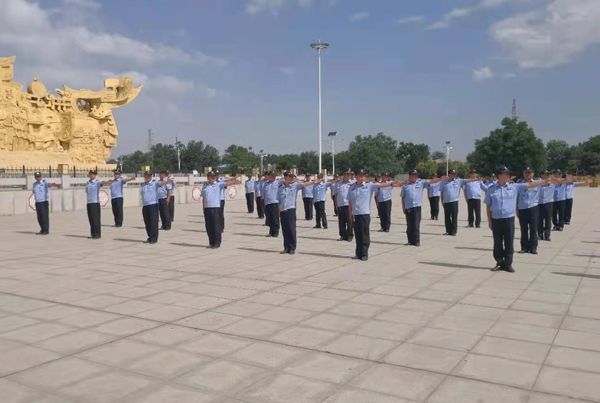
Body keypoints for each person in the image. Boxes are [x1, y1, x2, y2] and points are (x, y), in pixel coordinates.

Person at [485, 166, 552, 273]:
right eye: (506, 174)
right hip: (496, 219)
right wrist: (489, 221)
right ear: (499, 176)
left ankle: (508, 264)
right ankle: (499, 262)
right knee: (497, 242)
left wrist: (545, 181)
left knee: (509, 242)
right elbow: (488, 206)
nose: (508, 176)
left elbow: (531, 185)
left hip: (508, 219)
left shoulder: (514, 187)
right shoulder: (491, 189)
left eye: (508, 174)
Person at [348, 170, 399, 261]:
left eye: (363, 175)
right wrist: (350, 213)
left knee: (364, 235)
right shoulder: (352, 187)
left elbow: (380, 185)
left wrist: (391, 184)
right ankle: (358, 253)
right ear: (356, 176)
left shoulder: (369, 186)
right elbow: (350, 201)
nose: (362, 177)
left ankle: (364, 254)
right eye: (360, 175)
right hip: (355, 214)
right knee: (358, 235)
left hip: (364, 214)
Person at [401, 170, 445, 246]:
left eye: (415, 176)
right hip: (408, 207)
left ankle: (416, 241)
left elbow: (430, 181)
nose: (413, 177)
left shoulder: (421, 183)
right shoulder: (405, 185)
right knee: (409, 225)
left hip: (417, 206)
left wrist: (440, 179)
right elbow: (403, 197)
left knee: (416, 224)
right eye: (411, 176)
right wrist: (403, 207)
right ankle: (410, 241)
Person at [278, 171, 314, 254]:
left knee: (291, 229)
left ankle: (292, 247)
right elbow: (279, 201)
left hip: (291, 210)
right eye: (290, 177)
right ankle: (286, 247)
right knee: (285, 230)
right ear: (285, 177)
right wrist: (278, 211)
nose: (292, 178)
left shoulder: (295, 185)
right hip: (283, 210)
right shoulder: (280, 188)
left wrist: (313, 182)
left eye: (292, 177)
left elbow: (304, 185)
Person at [202, 171, 240, 248]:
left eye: (214, 176)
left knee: (216, 226)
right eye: (211, 176)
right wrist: (203, 208)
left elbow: (228, 183)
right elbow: (204, 198)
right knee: (209, 227)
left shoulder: (218, 184)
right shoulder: (205, 186)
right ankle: (211, 242)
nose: (213, 178)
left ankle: (217, 243)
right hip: (207, 208)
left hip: (215, 207)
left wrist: (235, 180)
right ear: (208, 177)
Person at [440, 170, 483, 236]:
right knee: (447, 217)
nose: (454, 175)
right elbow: (442, 193)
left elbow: (467, 180)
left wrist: (476, 179)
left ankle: (454, 231)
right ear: (449, 174)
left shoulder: (458, 181)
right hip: (446, 202)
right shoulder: (443, 182)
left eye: (454, 174)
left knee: (454, 217)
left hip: (454, 201)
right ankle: (448, 231)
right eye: (452, 174)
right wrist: (442, 201)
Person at [140, 171, 173, 244]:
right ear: (144, 176)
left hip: (153, 205)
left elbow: (160, 183)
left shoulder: (154, 183)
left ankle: (154, 238)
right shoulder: (143, 185)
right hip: (145, 205)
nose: (148, 177)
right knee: (147, 222)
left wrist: (167, 182)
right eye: (147, 176)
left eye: (150, 176)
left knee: (153, 222)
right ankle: (150, 237)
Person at [516, 167, 541, 254]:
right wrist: (516, 209)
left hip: (533, 207)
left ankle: (533, 248)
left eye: (530, 173)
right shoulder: (519, 184)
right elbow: (516, 197)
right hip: (522, 208)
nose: (528, 175)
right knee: (523, 229)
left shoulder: (537, 183)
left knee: (533, 228)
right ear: (523, 174)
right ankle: (524, 247)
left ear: (533, 174)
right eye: (526, 173)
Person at [85, 170, 109, 240]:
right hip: (89, 203)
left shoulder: (97, 182)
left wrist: (107, 182)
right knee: (91, 219)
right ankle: (93, 234)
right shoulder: (88, 183)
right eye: (91, 174)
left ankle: (97, 234)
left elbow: (102, 182)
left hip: (95, 203)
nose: (92, 175)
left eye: (93, 174)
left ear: (95, 175)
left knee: (96, 220)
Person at [335, 170, 354, 242]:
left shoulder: (352, 183)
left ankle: (349, 235)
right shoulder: (338, 183)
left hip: (348, 205)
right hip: (340, 204)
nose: (349, 176)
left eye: (350, 175)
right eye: (347, 174)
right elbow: (336, 194)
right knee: (341, 221)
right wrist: (336, 204)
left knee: (349, 221)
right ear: (344, 175)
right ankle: (343, 235)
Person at [262, 171, 282, 237]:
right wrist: (264, 202)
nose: (273, 177)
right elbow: (264, 194)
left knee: (275, 218)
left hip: (274, 203)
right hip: (267, 203)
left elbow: (287, 181)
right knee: (269, 218)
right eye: (272, 175)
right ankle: (271, 231)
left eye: (274, 176)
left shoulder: (278, 182)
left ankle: (276, 232)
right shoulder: (265, 184)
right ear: (269, 176)